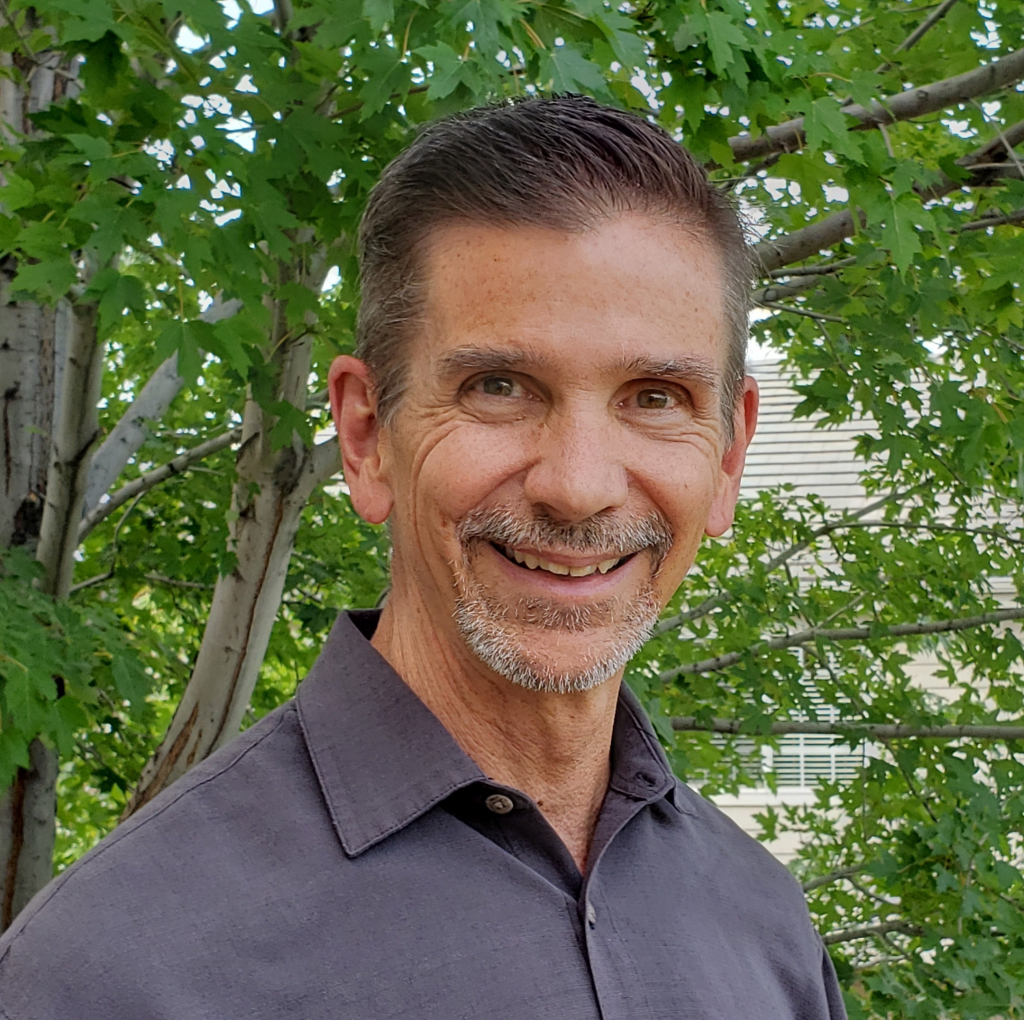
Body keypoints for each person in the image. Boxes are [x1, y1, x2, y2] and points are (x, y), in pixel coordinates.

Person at [0, 96, 846, 1019]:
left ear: (727, 455)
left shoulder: (765, 927)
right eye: (499, 386)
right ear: (366, 436)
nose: (578, 486)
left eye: (654, 397)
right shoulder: (113, 970)